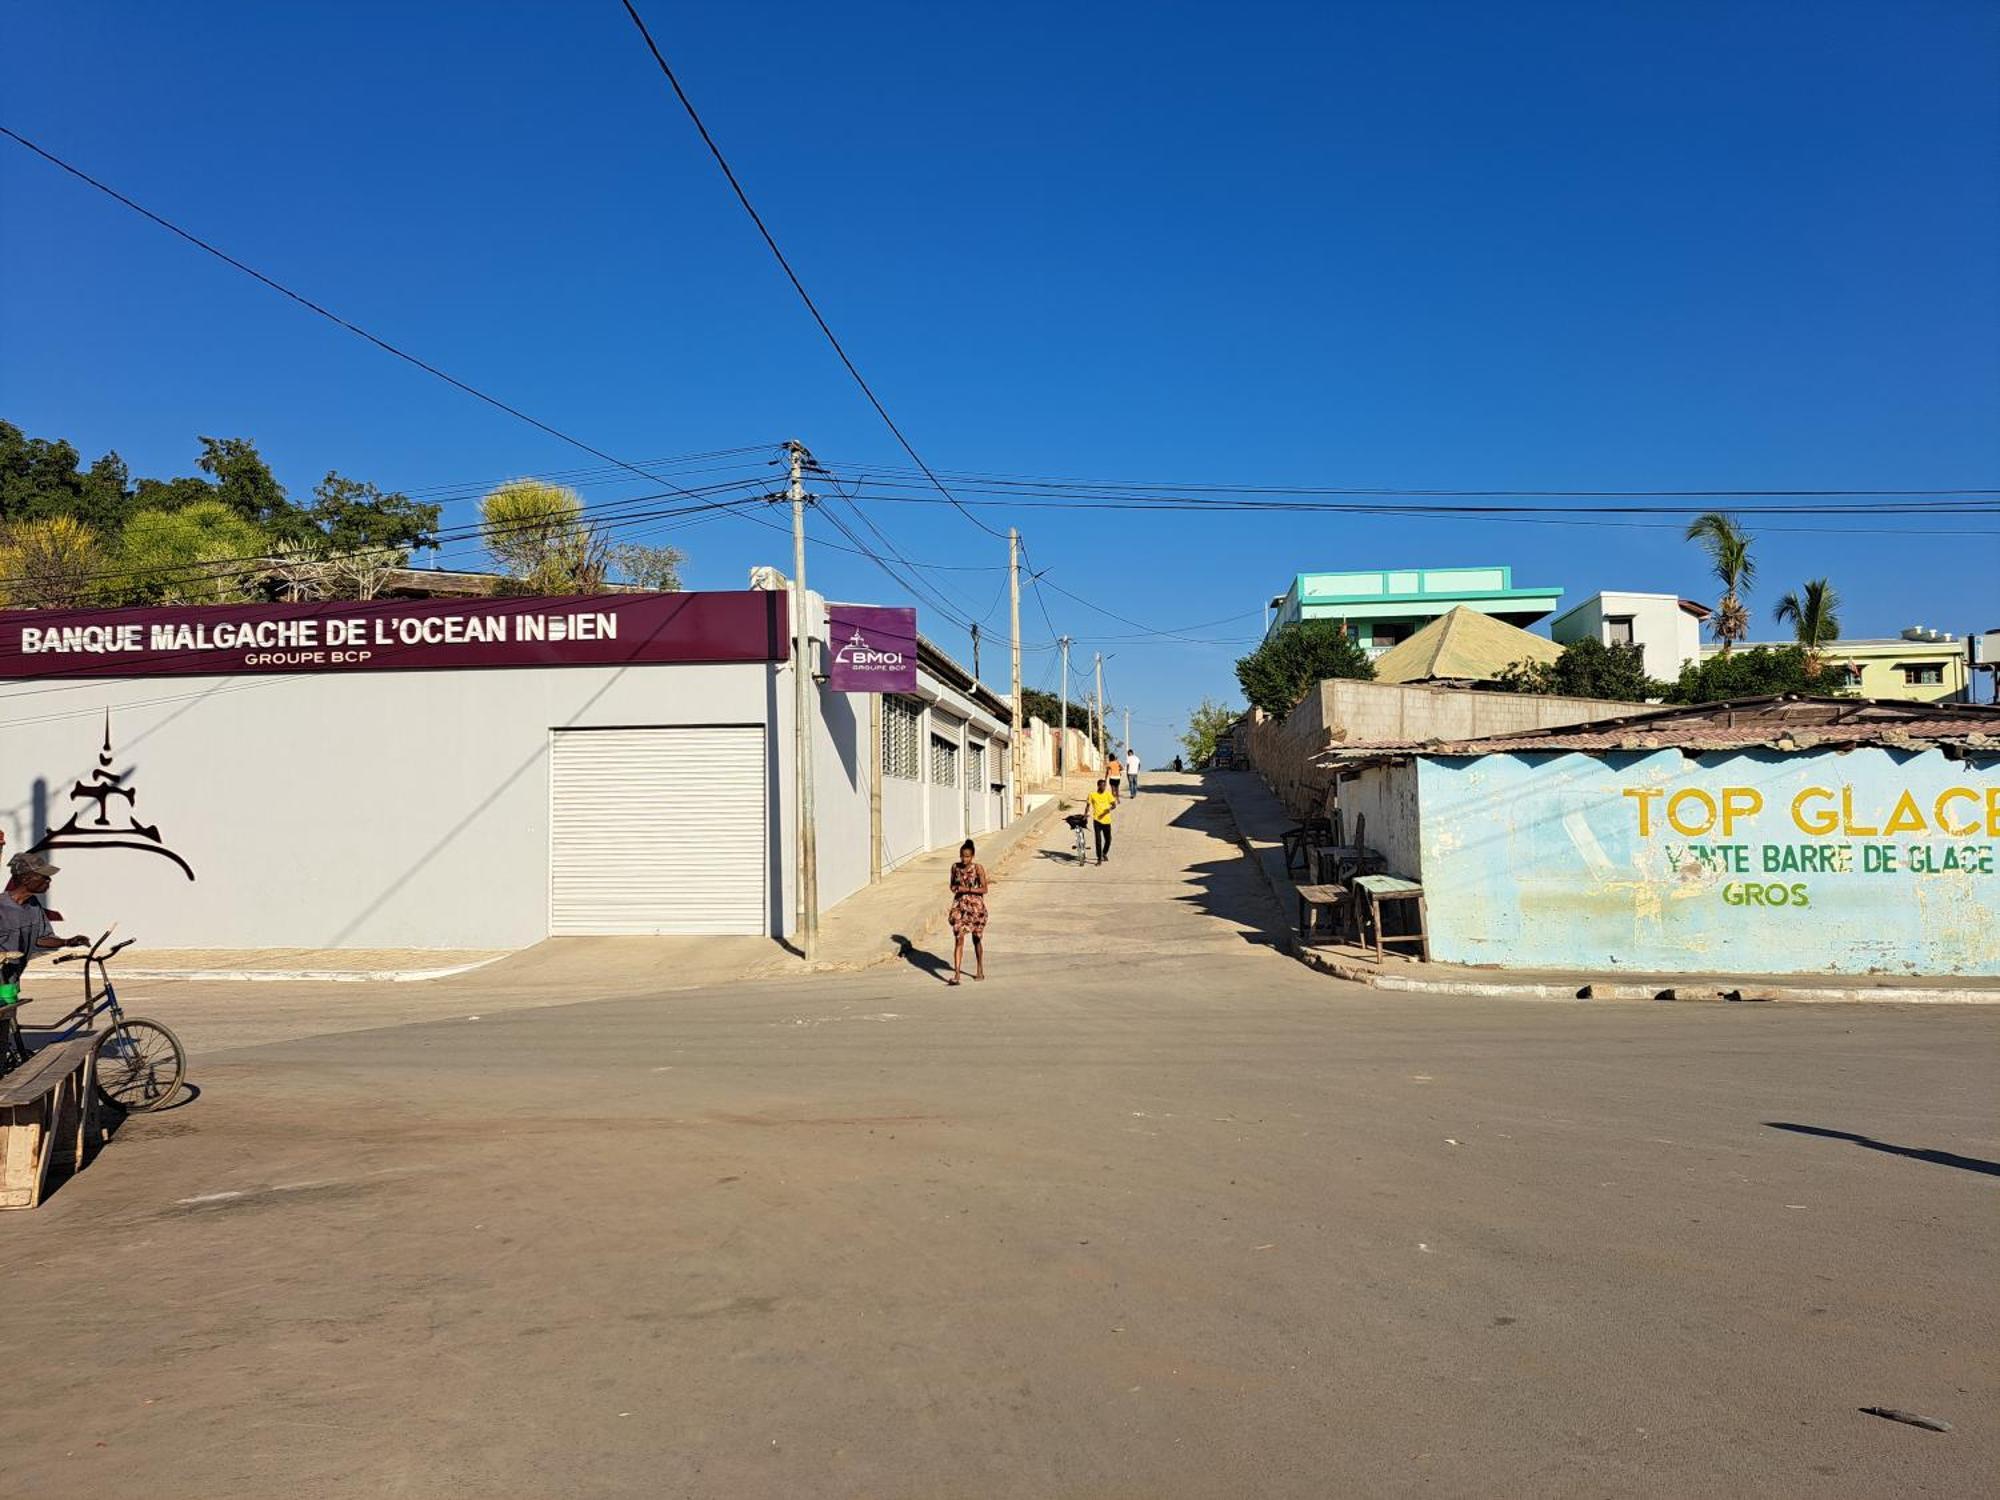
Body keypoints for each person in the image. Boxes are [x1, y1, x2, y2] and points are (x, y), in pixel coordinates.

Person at [1, 852, 87, 984]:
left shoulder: (33, 905)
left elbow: (40, 939)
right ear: (26, 879)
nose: (49, 880)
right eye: (44, 876)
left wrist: (67, 942)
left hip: (11, 981)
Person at [946, 839, 988, 985]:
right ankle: (957, 974)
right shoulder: (955, 867)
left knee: (976, 939)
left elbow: (984, 889)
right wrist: (956, 889)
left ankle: (980, 970)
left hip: (975, 908)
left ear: (973, 856)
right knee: (958, 938)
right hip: (959, 907)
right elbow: (951, 884)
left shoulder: (978, 869)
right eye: (962, 856)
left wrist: (968, 890)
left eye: (967, 856)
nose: (964, 859)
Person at [1085, 777, 1117, 865]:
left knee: (1108, 840)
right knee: (1098, 840)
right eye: (1102, 786)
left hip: (1107, 821)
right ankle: (1099, 859)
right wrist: (1085, 814)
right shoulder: (1092, 794)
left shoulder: (1108, 794)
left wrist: (1109, 809)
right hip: (1097, 820)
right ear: (1098, 786)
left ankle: (1104, 853)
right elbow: (1088, 805)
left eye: (1105, 786)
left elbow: (1114, 805)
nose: (1104, 787)